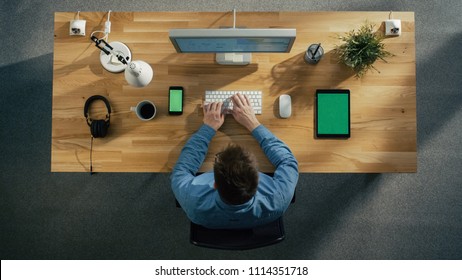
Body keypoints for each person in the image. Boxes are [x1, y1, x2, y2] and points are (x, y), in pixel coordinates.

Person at [171, 93, 298, 229]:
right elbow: (288, 161)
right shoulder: (279, 198)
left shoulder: (191, 200)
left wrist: (208, 128)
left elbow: (181, 170)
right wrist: (253, 124)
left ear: (214, 184)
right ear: (258, 181)